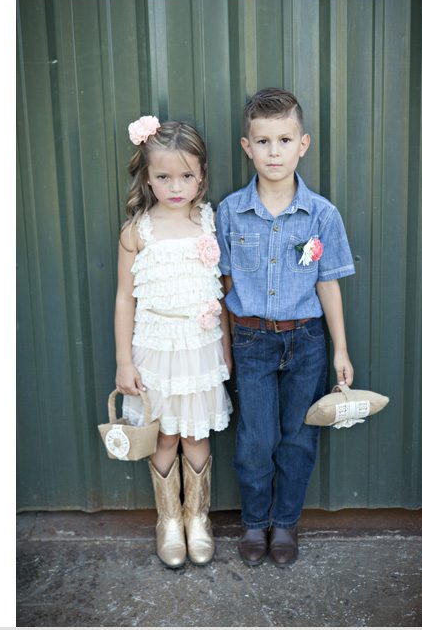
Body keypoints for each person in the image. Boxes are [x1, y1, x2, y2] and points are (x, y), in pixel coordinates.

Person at [215, 88, 356, 568]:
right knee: (256, 439)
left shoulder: (322, 215)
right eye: (263, 141)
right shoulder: (231, 213)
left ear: (304, 144)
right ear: (246, 146)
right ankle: (255, 522)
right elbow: (227, 283)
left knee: (297, 438)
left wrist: (341, 349)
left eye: (284, 139)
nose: (273, 152)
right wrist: (228, 345)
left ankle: (284, 524)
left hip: (307, 341)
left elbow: (329, 285)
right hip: (252, 340)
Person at [114, 115, 233, 569]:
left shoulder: (209, 221)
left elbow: (221, 289)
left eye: (187, 175)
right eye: (164, 176)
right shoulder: (137, 231)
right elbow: (125, 298)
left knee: (197, 436)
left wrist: (224, 352)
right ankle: (168, 521)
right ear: (147, 176)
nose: (176, 185)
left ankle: (197, 518)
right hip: (156, 348)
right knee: (165, 436)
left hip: (200, 346)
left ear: (202, 174)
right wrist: (125, 360)